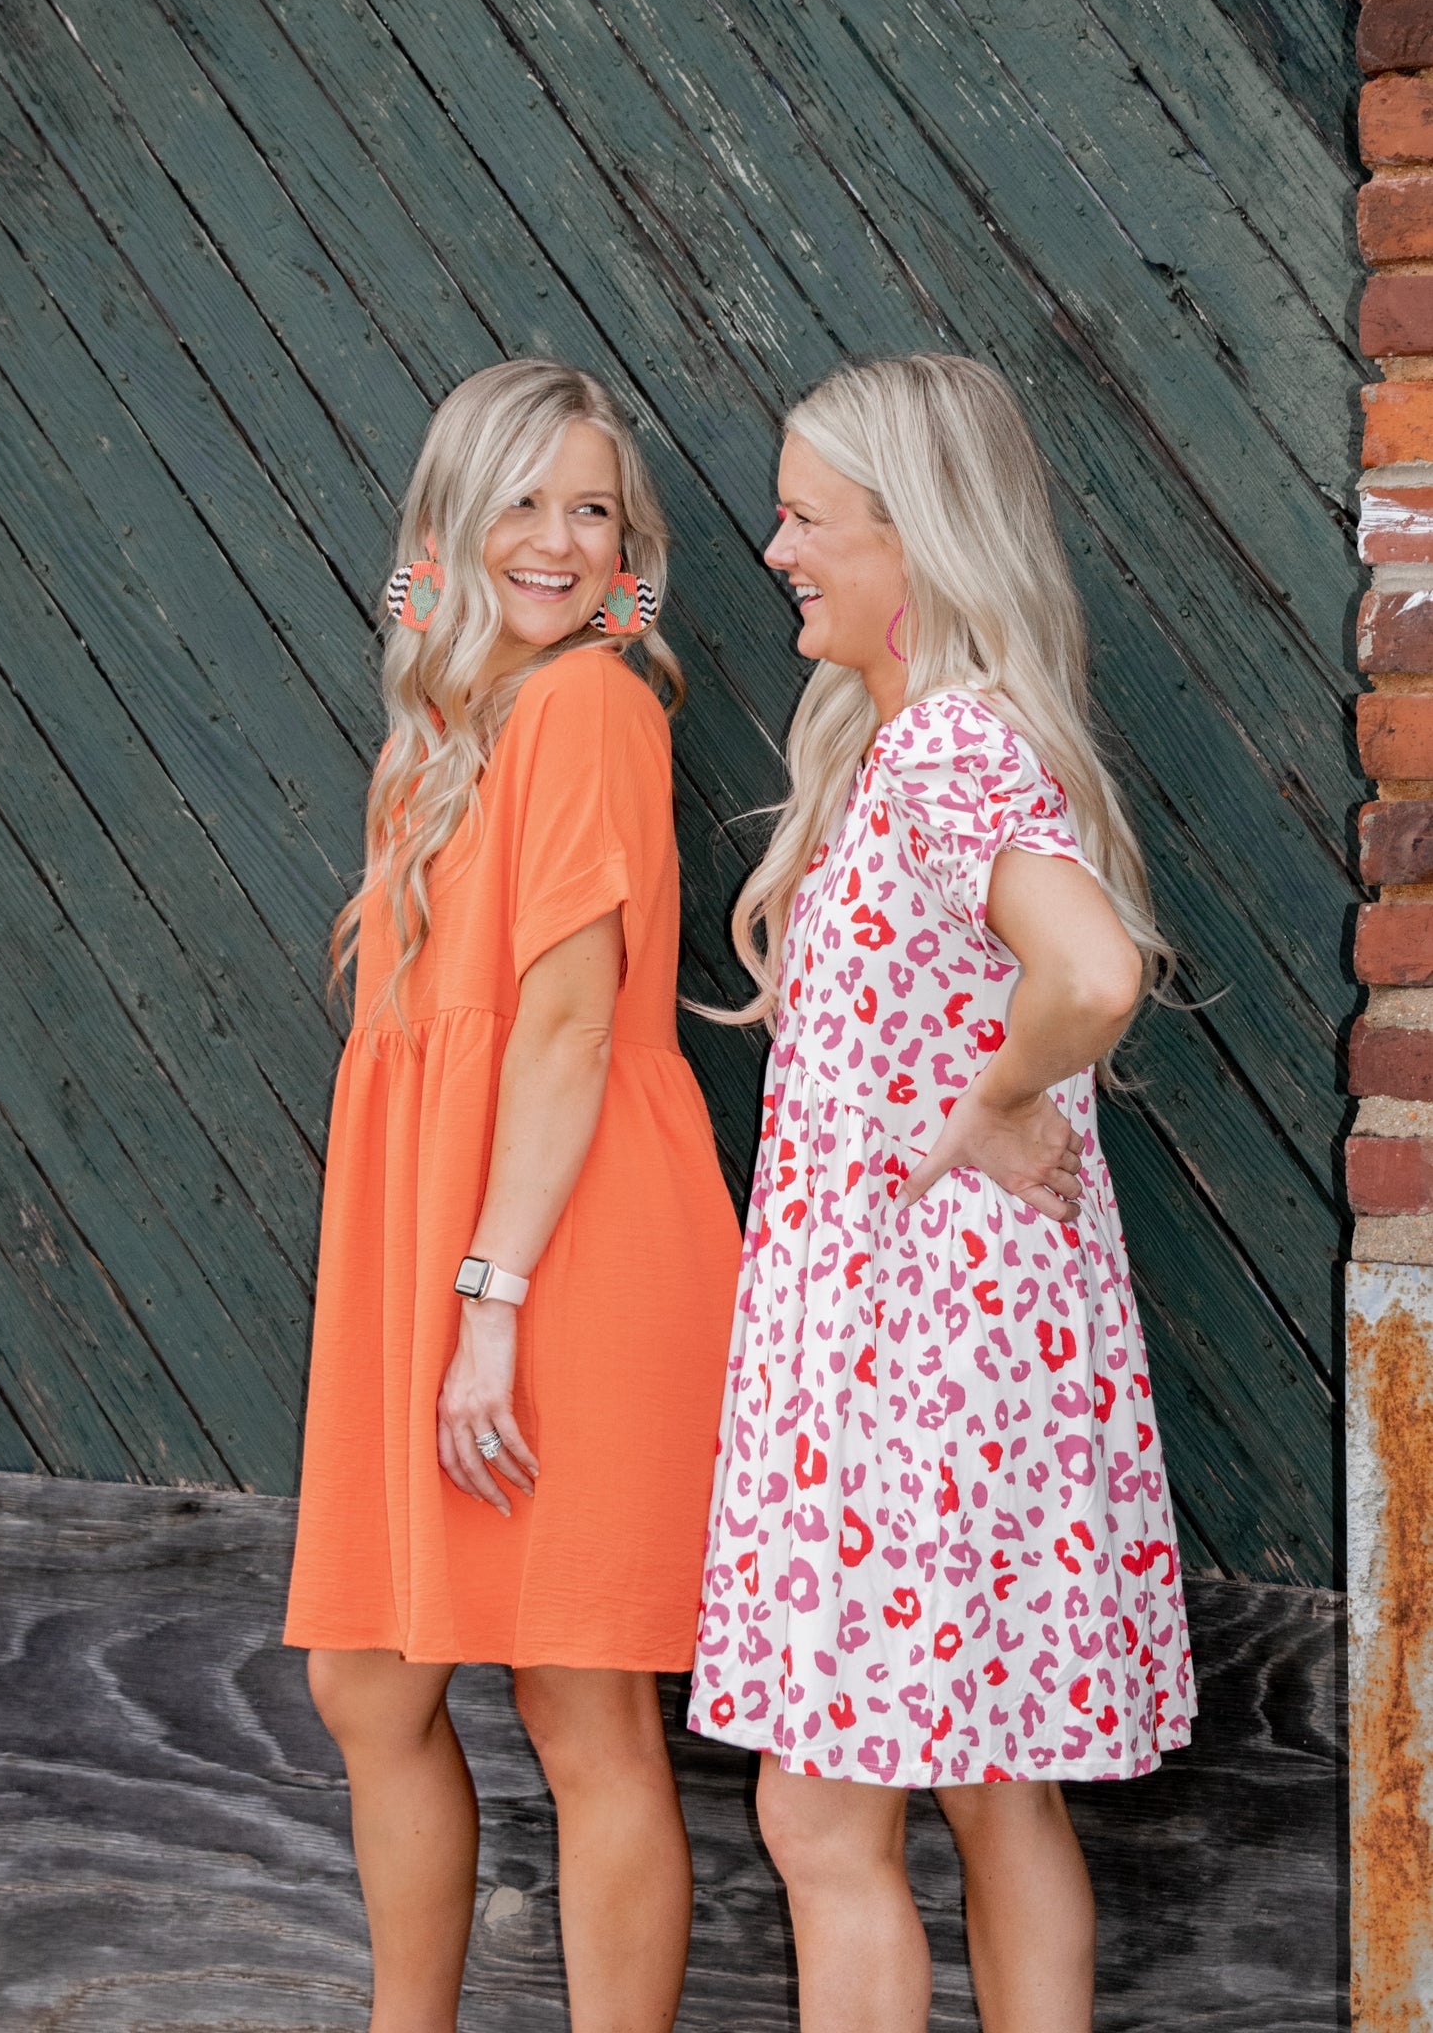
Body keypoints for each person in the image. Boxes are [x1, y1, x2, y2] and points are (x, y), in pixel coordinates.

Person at [688, 354, 1196, 2033]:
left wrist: (985, 1100)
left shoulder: (942, 749)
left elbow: (1092, 972)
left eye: (808, 520)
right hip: (963, 1351)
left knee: (822, 1813)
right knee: (993, 1789)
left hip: (915, 1358)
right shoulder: (919, 746)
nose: (776, 551)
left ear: (918, 543)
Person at [284, 359, 740, 2033]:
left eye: (593, 509)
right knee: (366, 1681)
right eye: (522, 500)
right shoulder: (455, 735)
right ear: (450, 520)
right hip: (451, 1254)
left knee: (583, 1711)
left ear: (632, 551)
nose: (557, 538)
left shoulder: (590, 705)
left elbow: (562, 1030)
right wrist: (438, 615)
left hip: (555, 1249)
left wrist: (489, 1306)